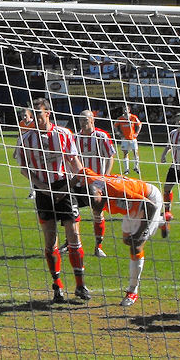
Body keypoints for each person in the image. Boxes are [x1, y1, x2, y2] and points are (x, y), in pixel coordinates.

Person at [15, 97, 90, 303]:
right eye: (33, 116)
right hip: (43, 190)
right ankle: (57, 286)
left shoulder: (64, 134)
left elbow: (74, 161)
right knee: (50, 241)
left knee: (74, 236)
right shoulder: (25, 139)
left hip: (64, 187)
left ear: (47, 113)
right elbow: (25, 169)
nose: (34, 120)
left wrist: (80, 181)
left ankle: (80, 285)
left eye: (38, 115)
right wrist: (42, 189)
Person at [71, 168, 164, 306]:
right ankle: (161, 220)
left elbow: (150, 206)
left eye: (99, 204)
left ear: (101, 193)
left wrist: (140, 233)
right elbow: (82, 171)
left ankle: (132, 291)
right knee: (127, 240)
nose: (98, 208)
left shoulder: (119, 193)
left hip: (149, 201)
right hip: (133, 205)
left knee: (135, 245)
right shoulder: (91, 181)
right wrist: (66, 188)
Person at [61, 110, 116, 257]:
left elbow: (110, 156)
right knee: (71, 213)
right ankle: (69, 243)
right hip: (78, 181)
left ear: (92, 120)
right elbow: (69, 158)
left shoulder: (101, 136)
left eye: (85, 120)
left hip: (95, 182)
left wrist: (106, 175)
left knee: (98, 212)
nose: (83, 123)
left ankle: (98, 246)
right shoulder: (75, 137)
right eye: (80, 121)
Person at [114, 105, 142, 175]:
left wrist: (137, 133)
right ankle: (126, 169)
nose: (125, 111)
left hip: (133, 139)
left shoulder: (133, 117)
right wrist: (118, 133)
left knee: (135, 152)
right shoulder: (120, 118)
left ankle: (136, 167)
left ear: (129, 110)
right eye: (124, 109)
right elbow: (115, 126)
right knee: (125, 153)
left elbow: (139, 125)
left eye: (126, 109)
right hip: (124, 139)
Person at [18, 108, 36, 199]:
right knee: (24, 171)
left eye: (25, 115)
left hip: (32, 150)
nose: (24, 117)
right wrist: (16, 150)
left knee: (31, 170)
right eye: (22, 116)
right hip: (23, 149)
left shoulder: (34, 124)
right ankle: (36, 186)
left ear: (30, 115)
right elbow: (20, 137)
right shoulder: (21, 123)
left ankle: (33, 191)